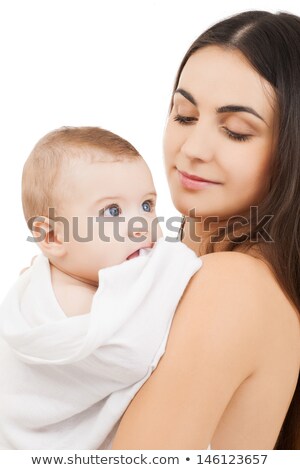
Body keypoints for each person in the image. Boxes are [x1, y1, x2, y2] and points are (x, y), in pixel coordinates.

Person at [111, 10, 300, 450]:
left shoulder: (230, 284)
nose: (192, 150)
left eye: (236, 132)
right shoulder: (190, 267)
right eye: (184, 115)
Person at [0, 126, 202, 449]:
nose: (142, 225)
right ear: (52, 238)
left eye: (148, 205)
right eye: (112, 211)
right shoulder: (74, 304)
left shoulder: (64, 273)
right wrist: (177, 263)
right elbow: (135, 354)